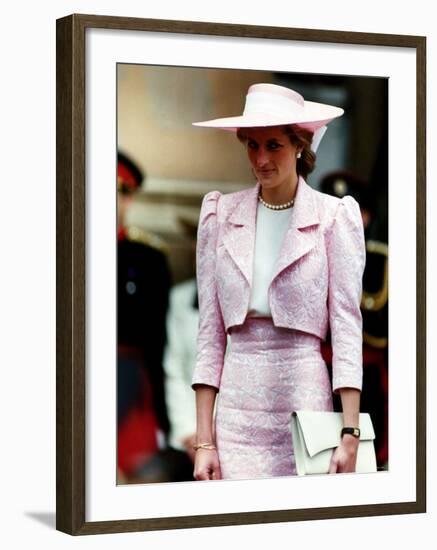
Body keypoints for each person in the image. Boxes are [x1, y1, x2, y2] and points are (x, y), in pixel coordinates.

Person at [190, 83, 366, 481]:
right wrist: (205, 442)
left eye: (273, 145)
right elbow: (210, 333)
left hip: (304, 403)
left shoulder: (333, 217)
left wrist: (350, 430)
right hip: (235, 413)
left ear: (300, 145)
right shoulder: (220, 214)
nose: (260, 159)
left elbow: (346, 327)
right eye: (251, 145)